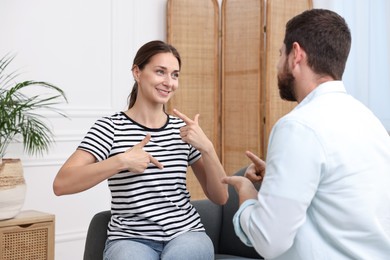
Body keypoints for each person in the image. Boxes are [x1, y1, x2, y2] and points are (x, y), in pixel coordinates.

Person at [222, 9, 390, 260]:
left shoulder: (298, 127)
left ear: (296, 55)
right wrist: (279, 178)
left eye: (280, 53)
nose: (278, 63)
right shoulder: (370, 121)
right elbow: (342, 197)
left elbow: (269, 241)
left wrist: (247, 193)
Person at [53, 40, 228, 260]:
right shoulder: (110, 128)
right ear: (137, 72)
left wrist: (208, 148)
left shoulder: (183, 131)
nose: (169, 82)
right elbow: (61, 184)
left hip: (186, 234)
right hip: (129, 239)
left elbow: (220, 197)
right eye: (160, 72)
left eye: (175, 75)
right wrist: (121, 161)